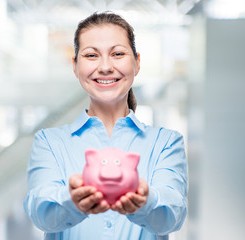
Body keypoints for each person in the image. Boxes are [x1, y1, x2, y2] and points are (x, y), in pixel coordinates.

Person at [23, 11, 188, 240]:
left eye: (118, 54)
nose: (105, 67)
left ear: (137, 63)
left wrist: (145, 202)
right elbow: (40, 212)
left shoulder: (166, 143)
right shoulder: (49, 142)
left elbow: (173, 215)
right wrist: (71, 201)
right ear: (75, 66)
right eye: (91, 55)